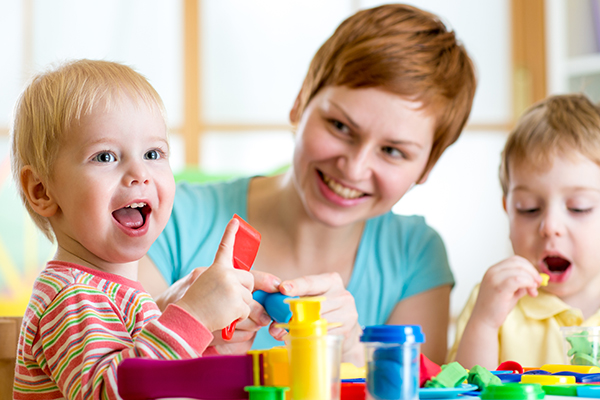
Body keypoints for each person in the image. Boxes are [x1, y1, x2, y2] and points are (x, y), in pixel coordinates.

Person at [139, 3, 477, 366]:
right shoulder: (169, 216)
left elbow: (420, 387)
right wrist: (173, 317)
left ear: (427, 166)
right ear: (300, 103)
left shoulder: (415, 254)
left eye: (393, 151)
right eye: (340, 127)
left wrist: (353, 354)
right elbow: (105, 373)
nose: (354, 167)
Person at [11, 59, 255, 399]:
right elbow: (111, 391)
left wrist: (210, 338)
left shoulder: (122, 295)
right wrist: (192, 317)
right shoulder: (70, 297)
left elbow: (162, 381)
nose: (139, 173)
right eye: (106, 157)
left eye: (153, 153)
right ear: (42, 190)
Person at [449, 94, 600, 369]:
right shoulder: (493, 300)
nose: (550, 227)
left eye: (579, 208)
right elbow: (461, 389)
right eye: (529, 209)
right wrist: (484, 323)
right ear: (507, 209)